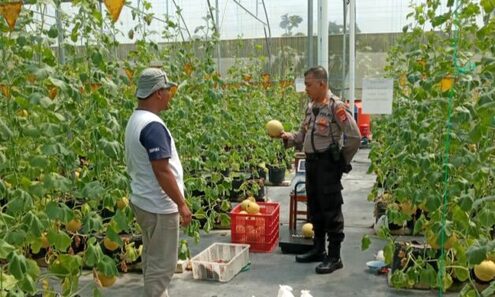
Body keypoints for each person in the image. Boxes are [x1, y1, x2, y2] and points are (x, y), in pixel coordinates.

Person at [279, 66, 360, 274]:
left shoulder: (336, 106)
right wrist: (290, 138)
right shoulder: (311, 106)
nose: (305, 88)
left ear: (322, 83)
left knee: (331, 209)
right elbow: (303, 134)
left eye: (308, 84)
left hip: (327, 164)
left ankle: (334, 256)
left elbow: (354, 136)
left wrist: (342, 160)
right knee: (314, 206)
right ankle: (318, 249)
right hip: (312, 163)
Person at [124, 67, 192, 296]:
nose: (171, 93)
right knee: (162, 267)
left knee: (153, 259)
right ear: (158, 93)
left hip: (144, 201)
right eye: (168, 89)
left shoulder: (136, 119)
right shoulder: (152, 126)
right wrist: (181, 204)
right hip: (159, 207)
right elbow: (162, 171)